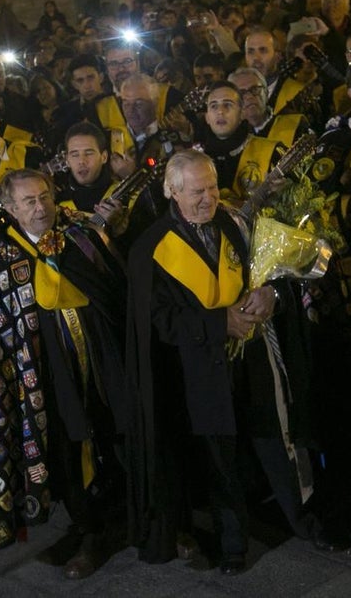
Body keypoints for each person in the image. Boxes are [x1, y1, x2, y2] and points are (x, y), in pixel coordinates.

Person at [0, 169, 128, 579]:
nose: (40, 209)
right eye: (29, 202)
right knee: (66, 447)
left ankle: (133, 518)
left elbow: (114, 288)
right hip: (44, 374)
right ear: (10, 209)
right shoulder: (3, 254)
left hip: (103, 363)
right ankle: (87, 528)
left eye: (44, 198)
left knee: (117, 435)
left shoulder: (80, 233)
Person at [126, 150, 276, 574]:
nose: (208, 198)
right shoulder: (150, 248)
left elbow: (256, 276)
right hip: (192, 375)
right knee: (216, 461)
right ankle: (233, 545)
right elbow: (157, 321)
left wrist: (269, 294)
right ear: (171, 191)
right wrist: (216, 323)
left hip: (246, 359)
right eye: (196, 191)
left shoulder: (230, 223)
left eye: (212, 187)